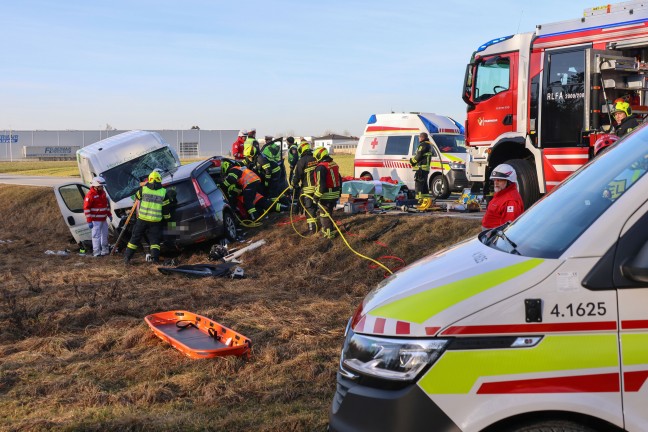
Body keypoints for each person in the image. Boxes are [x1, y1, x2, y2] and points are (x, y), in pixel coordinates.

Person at [123, 170, 172, 264]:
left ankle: (127, 258)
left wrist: (145, 185)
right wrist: (168, 219)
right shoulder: (163, 192)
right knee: (154, 241)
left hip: (142, 220)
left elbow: (136, 197)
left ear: (149, 179)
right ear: (160, 180)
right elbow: (166, 209)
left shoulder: (144, 189)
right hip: (155, 221)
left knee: (135, 238)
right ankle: (155, 260)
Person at [481, 163, 524, 230]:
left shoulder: (511, 201)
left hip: (495, 237)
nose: (496, 183)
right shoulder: (501, 194)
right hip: (490, 234)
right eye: (495, 180)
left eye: (500, 180)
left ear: (509, 181)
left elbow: (508, 228)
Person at [312, 147, 342, 239]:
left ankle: (328, 234)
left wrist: (316, 197)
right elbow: (339, 179)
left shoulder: (321, 167)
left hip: (327, 195)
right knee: (329, 212)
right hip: (335, 193)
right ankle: (328, 229)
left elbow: (321, 186)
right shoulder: (333, 164)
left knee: (324, 214)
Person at [291, 140, 319, 232]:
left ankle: (312, 229)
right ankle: (319, 223)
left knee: (309, 208)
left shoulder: (301, 161)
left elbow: (297, 176)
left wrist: (293, 183)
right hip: (318, 188)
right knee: (316, 206)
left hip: (308, 189)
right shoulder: (315, 159)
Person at [83, 176, 112, 257]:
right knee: (96, 236)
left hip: (103, 219)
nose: (102, 188)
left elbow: (105, 205)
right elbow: (86, 208)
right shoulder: (90, 195)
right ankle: (96, 252)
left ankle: (105, 250)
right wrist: (89, 220)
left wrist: (109, 214)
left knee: (104, 235)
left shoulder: (103, 193)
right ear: (96, 186)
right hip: (95, 220)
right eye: (101, 186)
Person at [410, 132, 433, 208]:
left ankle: (419, 200)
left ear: (422, 137)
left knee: (419, 184)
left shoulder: (423, 145)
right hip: (425, 168)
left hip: (421, 168)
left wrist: (412, 161)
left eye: (419, 137)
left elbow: (419, 155)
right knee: (424, 185)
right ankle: (425, 199)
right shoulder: (428, 145)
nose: (419, 139)